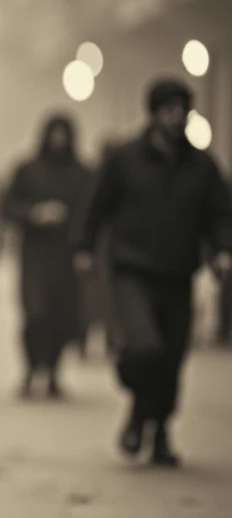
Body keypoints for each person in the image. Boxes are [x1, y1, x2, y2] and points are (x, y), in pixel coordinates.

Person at [73, 78, 232, 467]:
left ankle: (157, 430)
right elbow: (96, 204)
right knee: (144, 347)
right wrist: (85, 246)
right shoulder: (125, 159)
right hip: (133, 270)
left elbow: (220, 216)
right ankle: (141, 410)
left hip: (179, 273)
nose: (178, 118)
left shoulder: (203, 166)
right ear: (155, 113)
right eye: (170, 110)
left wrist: (222, 251)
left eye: (183, 110)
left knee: (172, 358)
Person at [1, 114, 92, 399]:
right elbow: (5, 206)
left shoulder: (82, 173)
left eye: (63, 134)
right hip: (34, 254)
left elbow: (92, 213)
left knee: (63, 317)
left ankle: (53, 372)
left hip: (67, 255)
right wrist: (34, 214)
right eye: (54, 133)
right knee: (36, 314)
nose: (59, 140)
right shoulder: (27, 169)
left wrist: (85, 246)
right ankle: (30, 369)